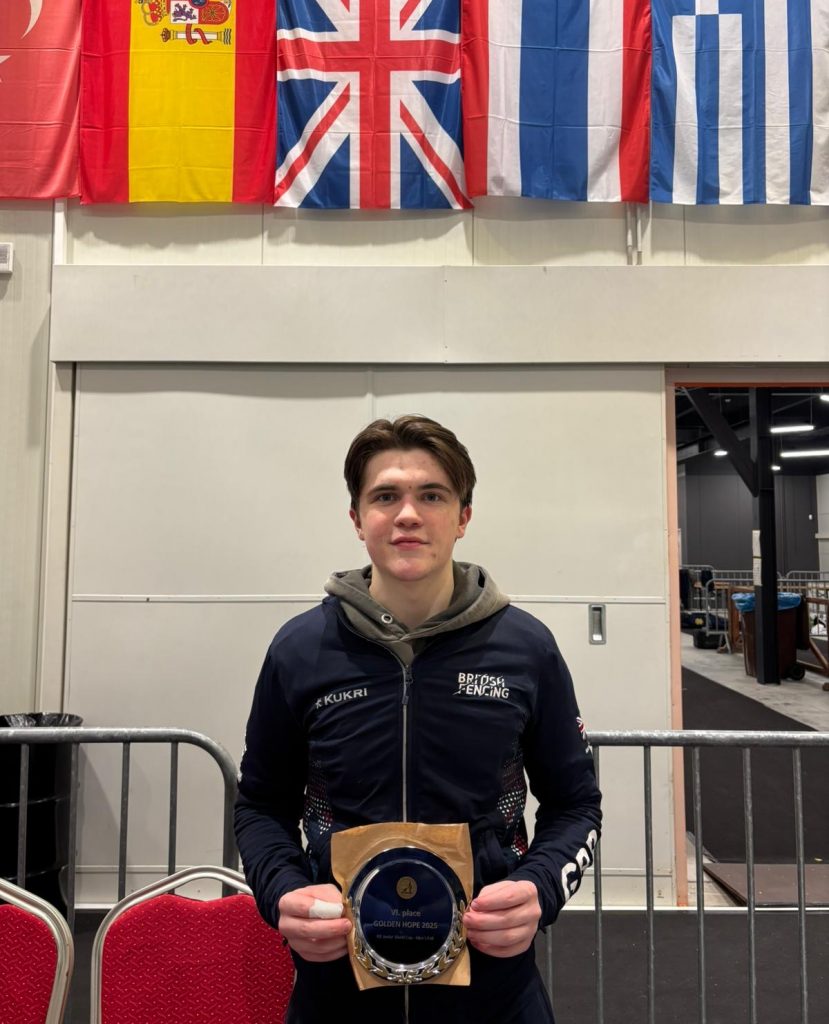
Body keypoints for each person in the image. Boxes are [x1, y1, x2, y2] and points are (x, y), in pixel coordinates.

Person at [235, 415, 601, 1024]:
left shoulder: (526, 649)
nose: (408, 514)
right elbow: (260, 806)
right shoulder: (299, 652)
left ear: (463, 517)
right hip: (337, 995)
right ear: (357, 518)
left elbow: (576, 805)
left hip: (494, 995)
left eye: (431, 495)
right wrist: (282, 892)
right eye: (386, 496)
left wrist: (539, 888)